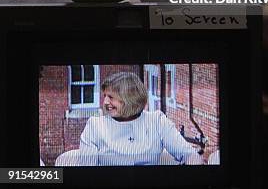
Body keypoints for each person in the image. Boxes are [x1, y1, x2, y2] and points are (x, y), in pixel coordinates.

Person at [56, 71, 203, 166]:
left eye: (111, 97)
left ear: (130, 99)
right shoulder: (95, 125)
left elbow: (189, 155)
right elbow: (88, 174)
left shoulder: (157, 121)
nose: (106, 102)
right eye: (105, 96)